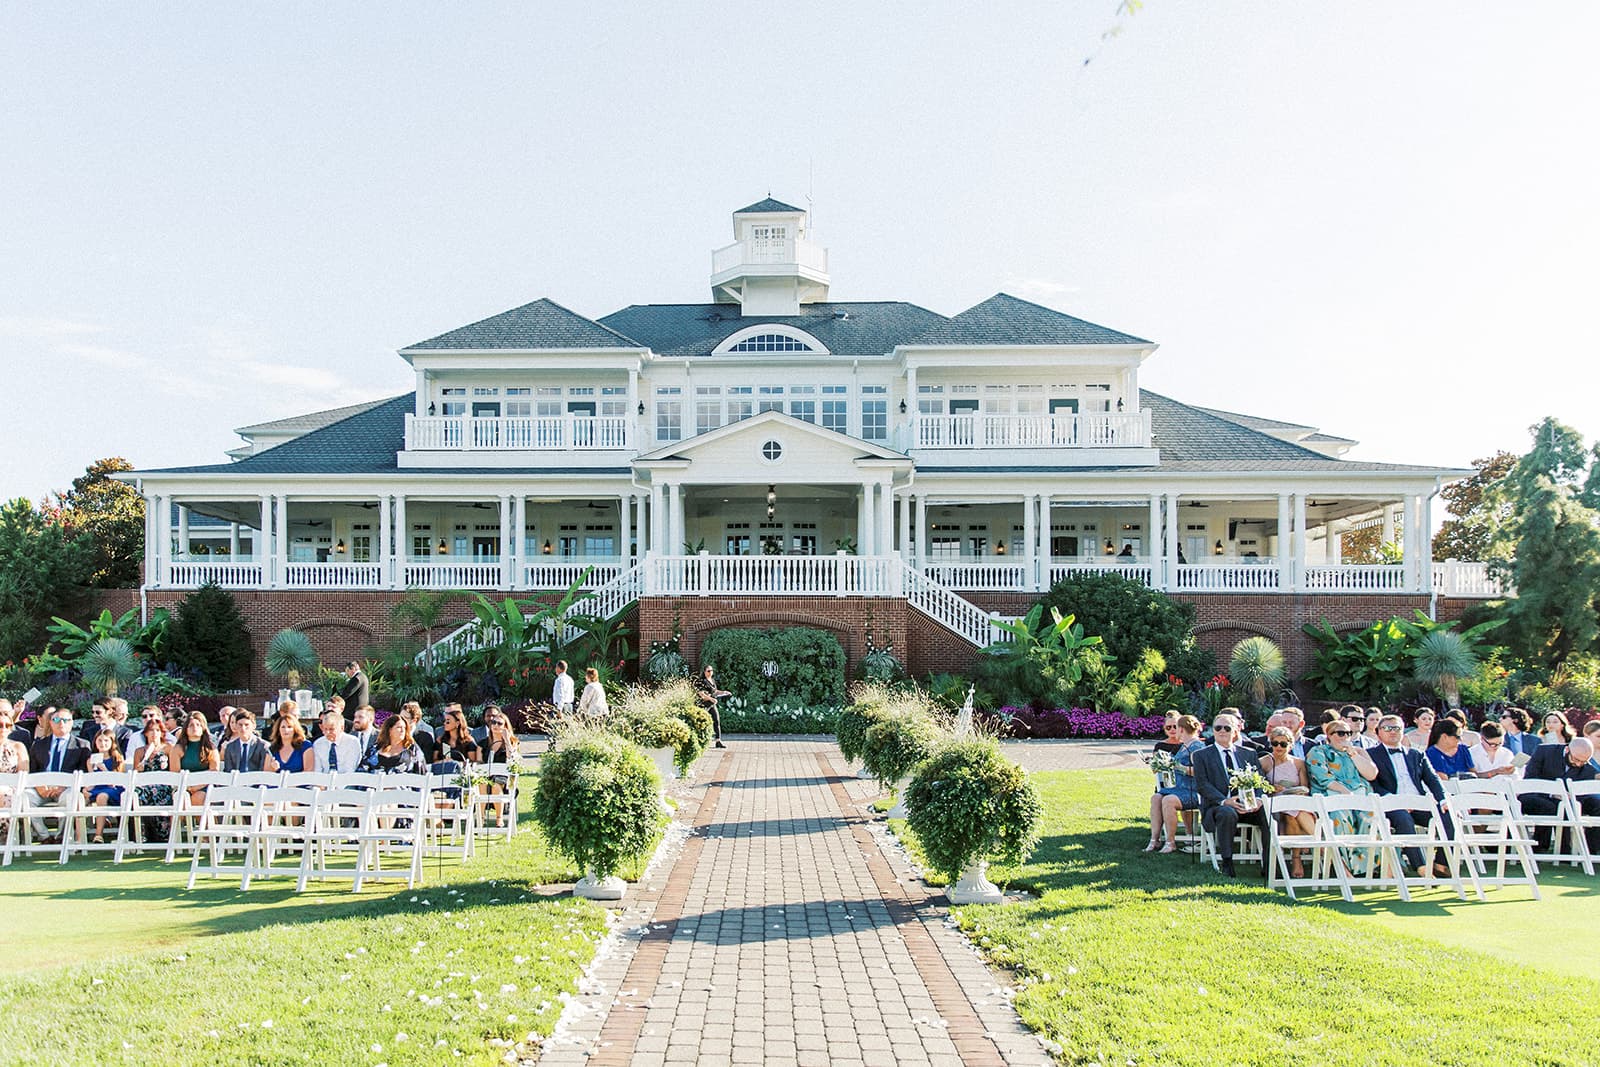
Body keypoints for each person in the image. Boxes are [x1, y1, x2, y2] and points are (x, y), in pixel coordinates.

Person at [1369, 714, 1453, 877]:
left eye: (1397, 728)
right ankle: (1420, 866)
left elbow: (1433, 779)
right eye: (1387, 728)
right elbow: (1373, 784)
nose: (1392, 732)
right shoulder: (1370, 754)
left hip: (1419, 803)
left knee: (1447, 814)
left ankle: (1441, 863)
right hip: (1391, 804)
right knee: (1403, 819)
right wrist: (1397, 801)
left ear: (1403, 732)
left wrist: (1443, 799)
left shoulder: (1416, 755)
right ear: (1379, 732)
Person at [1192, 712, 1268, 877]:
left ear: (1235, 731)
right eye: (1218, 727)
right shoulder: (1201, 755)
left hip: (1248, 805)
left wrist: (1259, 799)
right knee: (1227, 813)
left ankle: (1268, 864)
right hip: (1218, 807)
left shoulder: (1249, 754)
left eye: (1227, 728)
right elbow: (1202, 785)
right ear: (1213, 731)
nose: (1222, 731)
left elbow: (1260, 780)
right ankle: (1227, 862)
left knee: (1268, 813)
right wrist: (1225, 801)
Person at [1306, 716, 1378, 875]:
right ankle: (1344, 867)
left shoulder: (1358, 752)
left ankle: (1368, 866)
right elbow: (1323, 777)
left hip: (1359, 797)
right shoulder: (1318, 751)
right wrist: (1346, 794)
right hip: (1331, 796)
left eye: (1348, 733)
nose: (1344, 737)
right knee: (1341, 817)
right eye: (1340, 733)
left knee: (1372, 818)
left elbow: (1371, 774)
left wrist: (1354, 755)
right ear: (1329, 735)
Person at [1521, 737, 1600, 853]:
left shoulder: (1588, 768)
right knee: (1550, 806)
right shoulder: (1544, 751)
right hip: (1537, 794)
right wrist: (1553, 793)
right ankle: (1540, 847)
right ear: (1567, 750)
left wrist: (1571, 796)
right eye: (1576, 759)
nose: (1578, 764)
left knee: (1597, 804)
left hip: (1568, 798)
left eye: (1583, 762)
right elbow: (1530, 779)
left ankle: (1591, 849)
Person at [27, 708, 91, 843]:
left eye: (65, 720)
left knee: (71, 797)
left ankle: (61, 835)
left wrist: (63, 786)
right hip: (42, 789)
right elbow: (32, 770)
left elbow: (83, 772)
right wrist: (39, 786)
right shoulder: (39, 744)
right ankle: (44, 836)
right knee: (25, 798)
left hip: (66, 788)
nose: (61, 723)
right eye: (56, 719)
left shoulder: (82, 745)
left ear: (71, 723)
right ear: (50, 722)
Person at [1260, 725, 1315, 877]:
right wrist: (1270, 787)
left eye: (1283, 744)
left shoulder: (1298, 763)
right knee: (1293, 813)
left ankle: (1297, 857)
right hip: (1275, 802)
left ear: (1290, 745)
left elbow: (1304, 787)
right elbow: (1258, 786)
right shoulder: (1265, 762)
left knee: (1294, 813)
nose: (1279, 747)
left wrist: (1299, 792)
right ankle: (1318, 846)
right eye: (1275, 743)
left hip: (1296, 799)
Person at [1146, 714, 1203, 854]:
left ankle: (1170, 842)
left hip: (1192, 790)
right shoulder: (1184, 746)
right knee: (1156, 798)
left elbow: (1202, 771)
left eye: (1176, 728)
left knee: (1168, 800)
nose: (1174, 731)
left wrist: (1179, 767)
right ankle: (1155, 839)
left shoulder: (1197, 746)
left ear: (1182, 729)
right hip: (1178, 788)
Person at [132, 717, 176, 844]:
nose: (154, 733)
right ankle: (142, 832)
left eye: (157, 730)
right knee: (137, 793)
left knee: (154, 792)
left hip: (164, 785)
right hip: (145, 786)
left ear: (162, 733)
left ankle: (162, 831)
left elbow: (173, 771)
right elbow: (136, 775)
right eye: (151, 730)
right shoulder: (140, 751)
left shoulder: (168, 749)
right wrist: (139, 768)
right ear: (146, 733)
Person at [83, 725, 127, 843]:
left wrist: (103, 769)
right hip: (97, 787)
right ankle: (79, 835)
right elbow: (92, 780)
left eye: (106, 740)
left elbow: (115, 783)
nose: (103, 743)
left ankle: (99, 834)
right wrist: (86, 789)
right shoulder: (90, 760)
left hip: (113, 789)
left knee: (101, 797)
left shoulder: (117, 758)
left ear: (112, 742)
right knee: (81, 799)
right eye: (100, 740)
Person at [480, 707, 519, 827]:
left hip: (504, 779)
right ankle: (481, 818)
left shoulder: (513, 742)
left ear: (505, 727)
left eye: (499, 723)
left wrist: (506, 740)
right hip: (486, 776)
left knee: (495, 785)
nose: (495, 725)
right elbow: (478, 763)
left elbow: (512, 760)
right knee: (481, 783)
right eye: (493, 722)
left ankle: (499, 818)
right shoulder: (483, 743)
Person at [174, 712, 220, 808]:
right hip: (183, 785)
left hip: (205, 785)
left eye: (198, 725)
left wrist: (197, 786)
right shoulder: (177, 749)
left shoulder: (211, 748)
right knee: (180, 801)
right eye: (191, 725)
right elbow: (175, 773)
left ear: (203, 728)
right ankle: (179, 823)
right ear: (185, 729)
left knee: (198, 798)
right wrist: (188, 787)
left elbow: (214, 772)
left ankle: (204, 823)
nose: (195, 727)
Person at [0, 702, 30, 846]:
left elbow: (23, 776)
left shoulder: (18, 747)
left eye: (7, 726)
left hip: (12, 791)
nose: (3, 729)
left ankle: (6, 840)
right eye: (0, 725)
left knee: (5, 794)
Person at [311, 708, 362, 775]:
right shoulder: (318, 744)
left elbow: (350, 770)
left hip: (347, 781)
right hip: (323, 782)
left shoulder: (352, 742)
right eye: (325, 729)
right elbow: (317, 770)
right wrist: (320, 785)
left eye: (331, 729)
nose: (327, 732)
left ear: (342, 728)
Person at [693, 665, 729, 749]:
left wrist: (724, 692)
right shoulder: (701, 681)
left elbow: (715, 692)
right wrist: (711, 699)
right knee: (701, 723)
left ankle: (718, 741)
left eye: (711, 671)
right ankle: (699, 741)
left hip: (711, 705)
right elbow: (701, 694)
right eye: (708, 671)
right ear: (704, 672)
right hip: (703, 705)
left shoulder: (712, 680)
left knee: (716, 721)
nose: (710, 672)